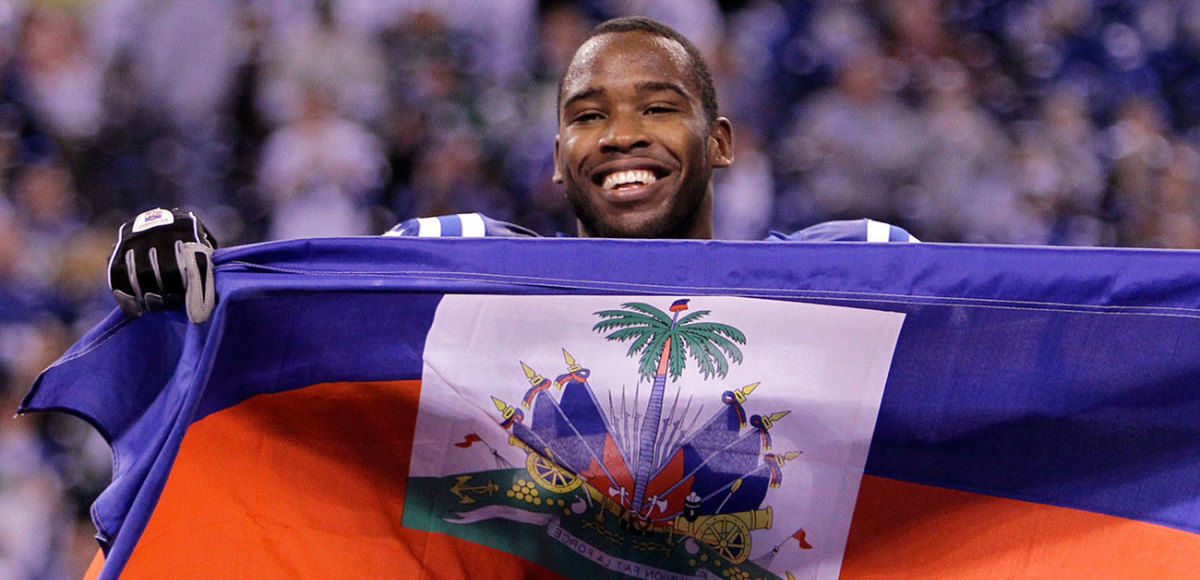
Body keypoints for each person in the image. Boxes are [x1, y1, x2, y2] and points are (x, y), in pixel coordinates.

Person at [107, 17, 915, 324]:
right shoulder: (468, 267)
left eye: (659, 107)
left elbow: (987, 332)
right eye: (588, 116)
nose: (621, 136)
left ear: (722, 143)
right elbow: (290, 310)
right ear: (558, 163)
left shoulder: (850, 273)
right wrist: (193, 270)